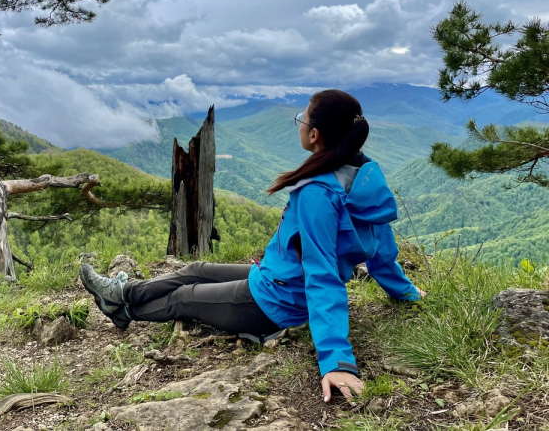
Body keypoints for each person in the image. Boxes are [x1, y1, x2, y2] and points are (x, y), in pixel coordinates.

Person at [80, 89, 425, 403]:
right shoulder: (364, 174)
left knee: (183, 298)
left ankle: (122, 310)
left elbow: (322, 274)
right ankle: (123, 292)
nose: (300, 124)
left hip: (277, 303)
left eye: (302, 119)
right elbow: (382, 249)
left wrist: (337, 361)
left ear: (315, 135)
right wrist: (405, 292)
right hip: (275, 279)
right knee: (195, 269)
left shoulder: (319, 194)